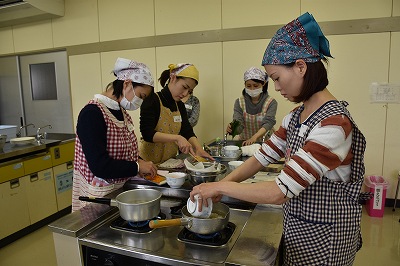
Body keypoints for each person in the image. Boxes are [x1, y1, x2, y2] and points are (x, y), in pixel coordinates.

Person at [191, 12, 369, 265]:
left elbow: (279, 191)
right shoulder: (296, 117)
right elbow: (262, 157)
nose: (275, 87)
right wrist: (224, 183)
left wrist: (219, 186)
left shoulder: (334, 125)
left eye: (276, 78)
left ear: (300, 66)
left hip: (327, 237)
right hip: (299, 227)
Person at [72, 58, 158, 211]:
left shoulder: (122, 113)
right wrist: (137, 166)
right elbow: (99, 165)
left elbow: (126, 152)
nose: (140, 102)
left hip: (120, 191)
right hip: (100, 196)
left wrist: (141, 162)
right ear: (127, 84)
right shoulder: (92, 113)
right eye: (141, 96)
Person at [139, 63, 213, 164]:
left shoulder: (179, 105)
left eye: (190, 91)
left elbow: (186, 130)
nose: (185, 93)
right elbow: (147, 133)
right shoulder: (152, 100)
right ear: (173, 78)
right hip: (148, 164)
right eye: (184, 87)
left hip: (169, 164)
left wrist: (198, 148)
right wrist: (177, 138)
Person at [226, 67, 277, 146]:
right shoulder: (239, 102)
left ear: (263, 84)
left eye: (255, 86)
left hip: (265, 142)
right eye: (248, 86)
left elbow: (269, 122)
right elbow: (239, 123)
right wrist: (233, 128)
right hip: (245, 142)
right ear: (245, 85)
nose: (252, 89)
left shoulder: (271, 102)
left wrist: (254, 137)